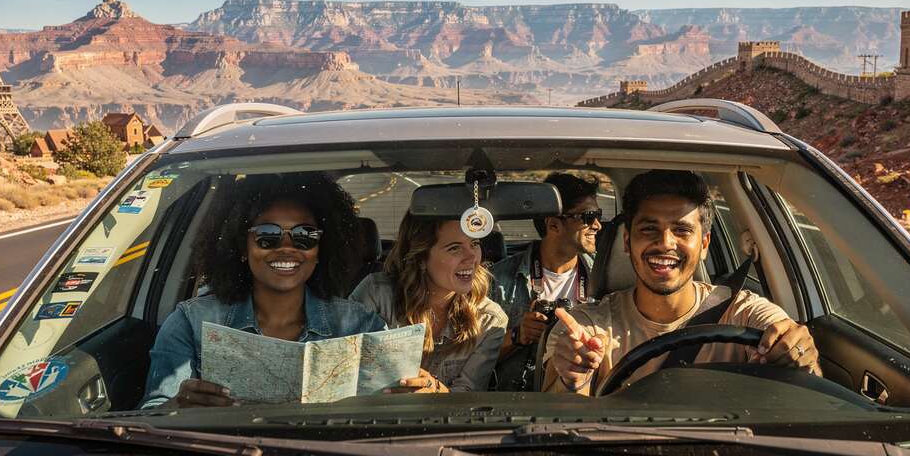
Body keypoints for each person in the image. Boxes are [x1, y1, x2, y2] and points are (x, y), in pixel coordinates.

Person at [543, 169, 820, 395]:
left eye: (682, 230)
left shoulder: (744, 313)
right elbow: (558, 421)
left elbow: (805, 383)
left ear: (704, 244)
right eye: (649, 229)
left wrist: (799, 355)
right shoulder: (586, 327)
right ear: (627, 241)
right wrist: (572, 378)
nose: (665, 243)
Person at [142, 172, 386, 408]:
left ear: (321, 248)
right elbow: (152, 413)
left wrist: (406, 397)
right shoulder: (191, 322)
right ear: (241, 245)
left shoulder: (361, 325)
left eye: (305, 236)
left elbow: (386, 409)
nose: (287, 248)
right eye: (268, 235)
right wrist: (176, 406)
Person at [351, 212, 508, 392]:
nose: (472, 258)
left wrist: (434, 389)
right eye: (455, 248)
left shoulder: (489, 320)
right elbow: (347, 374)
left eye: (475, 244)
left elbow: (467, 397)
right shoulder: (376, 295)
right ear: (421, 258)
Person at [490, 172, 602, 389]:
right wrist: (517, 335)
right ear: (553, 225)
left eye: (598, 215)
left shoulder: (604, 274)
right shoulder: (498, 280)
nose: (597, 225)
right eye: (588, 217)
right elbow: (471, 358)